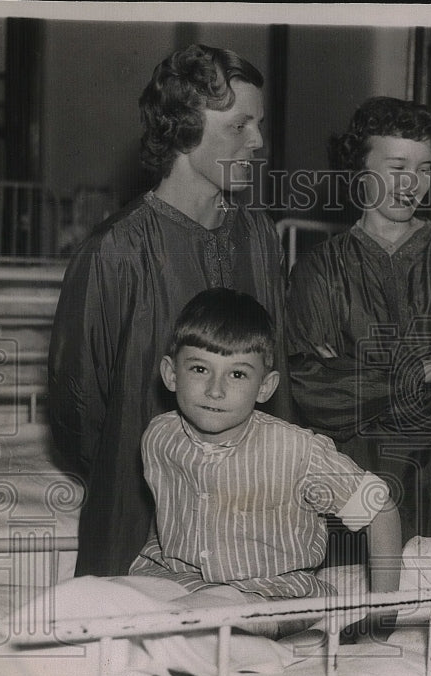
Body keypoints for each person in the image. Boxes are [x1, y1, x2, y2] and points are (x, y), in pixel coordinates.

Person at [49, 44, 292, 577]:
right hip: (139, 516)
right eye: (239, 126)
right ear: (183, 132)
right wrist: (143, 475)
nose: (258, 141)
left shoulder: (259, 236)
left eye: (260, 124)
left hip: (252, 518)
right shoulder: (115, 250)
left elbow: (280, 380)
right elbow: (78, 409)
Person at [287, 96, 431, 541]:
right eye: (396, 167)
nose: (413, 184)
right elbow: (314, 391)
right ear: (359, 169)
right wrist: (420, 373)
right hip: (364, 477)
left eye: (425, 169)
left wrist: (364, 378)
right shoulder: (319, 268)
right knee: (365, 602)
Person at [129, 288, 402, 637]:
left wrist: (381, 613)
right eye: (200, 368)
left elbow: (380, 511)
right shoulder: (159, 436)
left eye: (238, 374)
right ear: (170, 374)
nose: (215, 390)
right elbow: (169, 512)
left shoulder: (297, 452)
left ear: (265, 387)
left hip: (271, 595)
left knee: (202, 625)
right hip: (174, 581)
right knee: (88, 603)